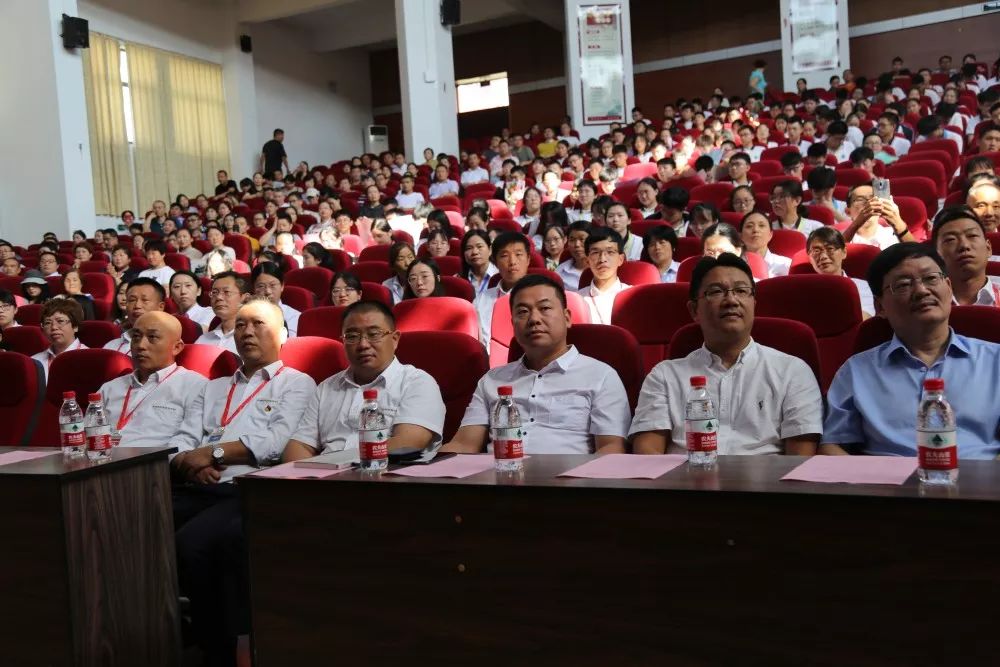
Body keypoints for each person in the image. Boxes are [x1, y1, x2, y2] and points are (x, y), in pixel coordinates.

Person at [174, 299, 315, 666]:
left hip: (247, 487)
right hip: (197, 484)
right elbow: (185, 439)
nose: (247, 332)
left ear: (283, 335)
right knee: (135, 521)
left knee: (193, 544)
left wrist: (213, 454)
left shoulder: (296, 383)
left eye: (258, 324)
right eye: (240, 326)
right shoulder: (213, 387)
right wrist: (190, 464)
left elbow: (277, 443)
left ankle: (219, 649)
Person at [630, 253, 822, 455]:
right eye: (716, 291)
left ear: (754, 304)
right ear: (694, 310)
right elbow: (647, 457)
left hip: (767, 476)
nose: (731, 300)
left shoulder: (792, 372)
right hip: (684, 475)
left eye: (741, 290)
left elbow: (799, 463)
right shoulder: (664, 376)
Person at [821, 243, 1000, 458]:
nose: (922, 291)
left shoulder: (995, 361)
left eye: (931, 278)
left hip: (981, 476)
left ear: (949, 286)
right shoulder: (856, 371)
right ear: (880, 307)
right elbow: (831, 446)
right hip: (885, 478)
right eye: (903, 284)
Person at [444, 274, 629, 455]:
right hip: (500, 472)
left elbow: (611, 449)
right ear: (513, 324)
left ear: (567, 317)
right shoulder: (492, 380)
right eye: (523, 312)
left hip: (572, 475)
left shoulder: (601, 376)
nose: (534, 319)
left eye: (545, 308)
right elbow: (464, 444)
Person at [283, 300, 445, 460]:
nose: (363, 344)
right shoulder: (327, 387)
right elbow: (299, 445)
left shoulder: (417, 382)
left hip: (386, 473)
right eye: (352, 336)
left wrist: (333, 462)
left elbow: (409, 443)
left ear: (395, 339)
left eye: (374, 334)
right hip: (323, 474)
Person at [98, 311, 205, 450]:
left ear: (176, 347)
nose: (140, 345)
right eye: (136, 337)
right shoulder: (109, 388)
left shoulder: (195, 386)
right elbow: (88, 434)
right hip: (102, 460)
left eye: (152, 337)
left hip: (157, 461)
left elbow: (188, 442)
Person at [932, 206, 1000, 306]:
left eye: (972, 235)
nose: (964, 245)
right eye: (951, 239)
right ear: (937, 255)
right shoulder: (925, 306)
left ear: (988, 248)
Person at [806, 227, 875, 318]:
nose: (823, 256)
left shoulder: (861, 286)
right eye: (816, 251)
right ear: (809, 258)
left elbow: (864, 317)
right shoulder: (805, 291)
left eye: (830, 249)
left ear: (844, 252)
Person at [476, 232, 531, 345]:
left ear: (528, 259)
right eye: (504, 256)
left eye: (518, 254)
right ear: (495, 263)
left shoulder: (540, 296)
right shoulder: (482, 299)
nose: (512, 262)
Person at [578, 227, 631, 325]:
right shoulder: (578, 299)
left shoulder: (633, 296)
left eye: (610, 252)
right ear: (587, 261)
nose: (602, 259)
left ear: (621, 259)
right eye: (595, 253)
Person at [840, 182, 914, 248]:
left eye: (873, 199)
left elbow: (917, 253)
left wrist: (897, 222)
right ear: (848, 212)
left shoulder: (893, 234)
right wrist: (856, 224)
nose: (869, 203)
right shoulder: (839, 237)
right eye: (860, 200)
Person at [196, 272, 251, 354]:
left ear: (245, 298)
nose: (219, 297)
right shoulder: (203, 340)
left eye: (226, 292)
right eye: (214, 292)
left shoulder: (252, 338)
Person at [33, 299, 87, 381]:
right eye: (47, 322)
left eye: (60, 321)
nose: (54, 327)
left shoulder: (90, 358)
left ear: (75, 326)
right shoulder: (35, 361)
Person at [251, 263, 299, 337]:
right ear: (253, 288)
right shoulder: (246, 315)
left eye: (272, 285)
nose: (268, 291)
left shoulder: (293, 316)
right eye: (261, 286)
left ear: (282, 286)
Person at [739, 212, 790, 277]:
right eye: (749, 226)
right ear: (741, 236)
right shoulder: (733, 265)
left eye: (761, 225)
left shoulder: (786, 265)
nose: (755, 230)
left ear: (770, 235)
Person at [460, 230, 496, 301]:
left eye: (479, 246)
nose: (474, 252)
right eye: (469, 248)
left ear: (490, 250)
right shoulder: (458, 279)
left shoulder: (501, 276)